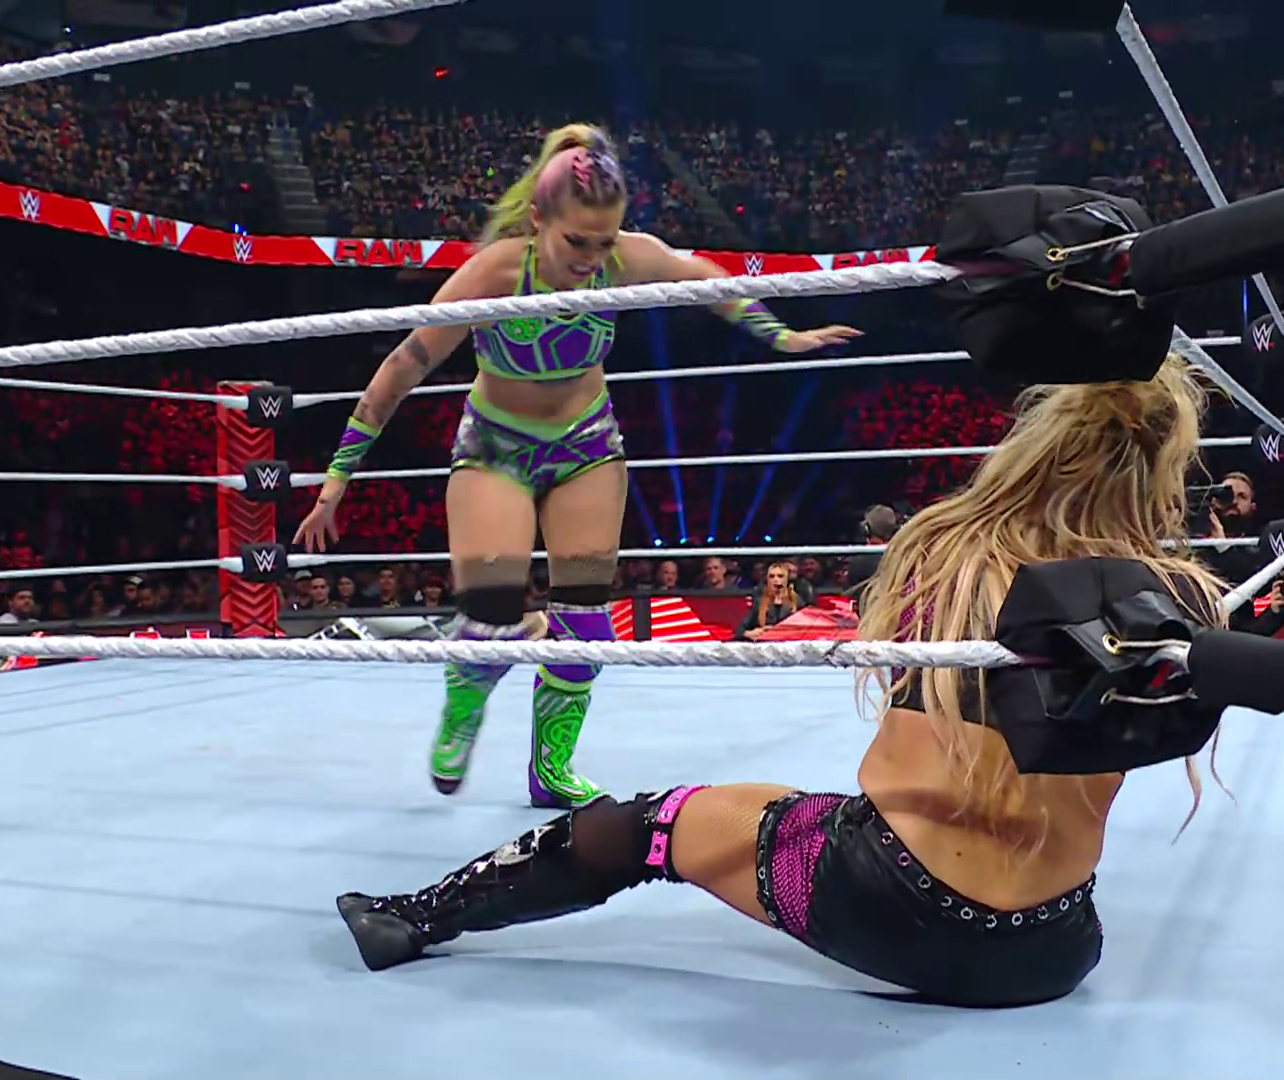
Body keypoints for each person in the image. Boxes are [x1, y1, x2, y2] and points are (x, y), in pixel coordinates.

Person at [335, 356, 1227, 1007]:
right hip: (1057, 945)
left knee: (656, 824)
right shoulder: (1181, 601)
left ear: (1034, 445)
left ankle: (414, 917)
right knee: (813, 810)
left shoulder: (954, 550)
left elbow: (896, 665)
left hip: (893, 899)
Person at [294, 123, 860, 809]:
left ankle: (551, 769)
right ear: (539, 219)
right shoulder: (497, 272)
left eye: (604, 241)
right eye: (577, 242)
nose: (593, 260)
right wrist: (337, 477)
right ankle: (464, 704)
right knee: (491, 611)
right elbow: (405, 364)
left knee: (588, 626)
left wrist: (782, 336)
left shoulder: (625, 257)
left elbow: (703, 279)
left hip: (586, 446)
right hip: (496, 448)